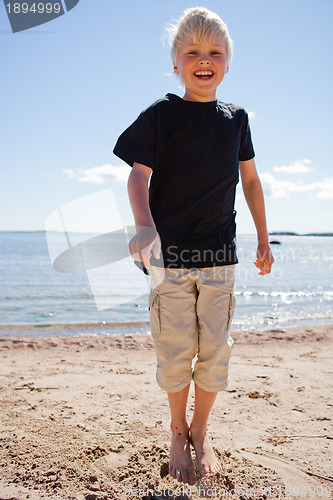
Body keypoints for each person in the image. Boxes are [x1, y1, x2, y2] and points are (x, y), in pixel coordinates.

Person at [113, 7, 274, 485]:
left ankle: (200, 432)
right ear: (176, 62)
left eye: (215, 52)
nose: (205, 60)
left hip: (221, 258)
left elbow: (250, 181)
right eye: (193, 52)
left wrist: (264, 238)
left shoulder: (236, 119)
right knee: (176, 351)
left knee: (216, 352)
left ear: (228, 62)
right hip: (170, 260)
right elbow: (137, 176)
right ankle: (177, 430)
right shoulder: (162, 115)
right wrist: (144, 226)